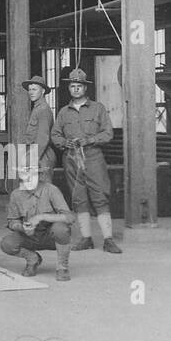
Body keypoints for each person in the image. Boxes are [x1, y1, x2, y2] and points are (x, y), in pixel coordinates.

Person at [51, 68, 122, 254]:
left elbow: (108, 133)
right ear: (69, 88)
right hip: (71, 158)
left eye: (79, 86)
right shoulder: (63, 112)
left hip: (93, 156)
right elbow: (55, 134)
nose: (75, 89)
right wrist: (64, 143)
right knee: (78, 198)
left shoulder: (98, 108)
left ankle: (108, 240)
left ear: (85, 88)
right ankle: (86, 238)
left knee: (100, 195)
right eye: (72, 86)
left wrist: (89, 140)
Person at [0, 164, 73, 281]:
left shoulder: (51, 190)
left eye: (32, 175)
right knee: (7, 243)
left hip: (50, 236)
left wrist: (41, 217)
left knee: (61, 229)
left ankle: (62, 267)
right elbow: (12, 221)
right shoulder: (16, 194)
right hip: (30, 236)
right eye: (24, 175)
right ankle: (32, 259)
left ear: (40, 175)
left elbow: (69, 217)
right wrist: (22, 227)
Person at [16, 75, 57, 174]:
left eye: (34, 89)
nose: (31, 92)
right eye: (29, 90)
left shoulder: (43, 109)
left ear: (42, 91)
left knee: (43, 187)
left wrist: (33, 159)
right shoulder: (37, 108)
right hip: (35, 153)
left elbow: (43, 138)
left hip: (42, 156)